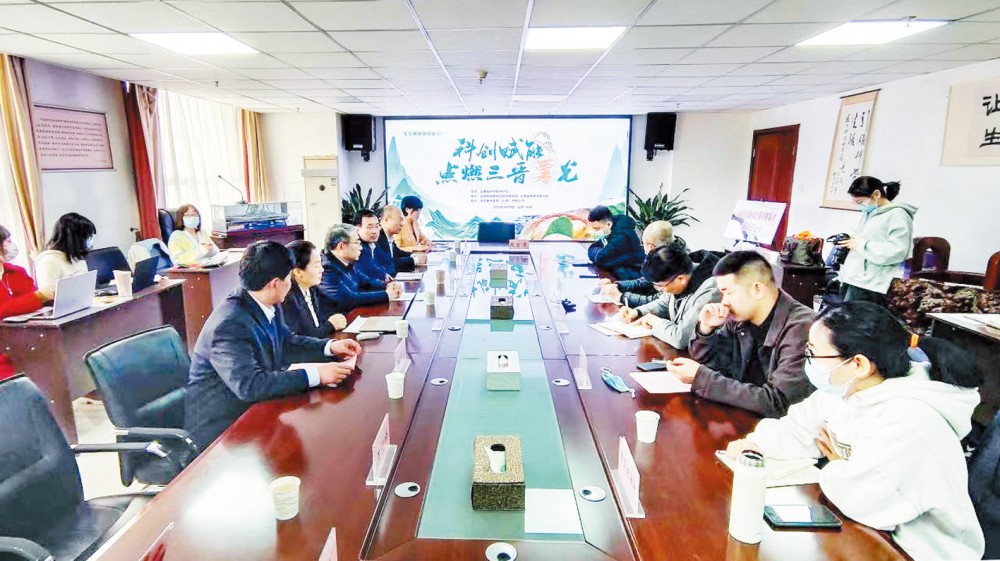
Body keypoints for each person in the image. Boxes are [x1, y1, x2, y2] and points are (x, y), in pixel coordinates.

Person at [726, 302, 984, 561]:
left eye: (814, 353)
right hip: (869, 531)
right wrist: (758, 444)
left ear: (858, 363)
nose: (808, 361)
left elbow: (859, 500)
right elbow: (799, 427)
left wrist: (838, 465)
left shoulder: (907, 421)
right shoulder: (847, 387)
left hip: (919, 550)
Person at [184, 241, 361, 449]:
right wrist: (317, 375)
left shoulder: (263, 301)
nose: (291, 283)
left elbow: (287, 342)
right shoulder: (229, 324)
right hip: (222, 431)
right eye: (289, 278)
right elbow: (251, 385)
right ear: (275, 283)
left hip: (254, 411)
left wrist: (330, 346)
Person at [665, 251, 815, 417]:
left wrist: (701, 378)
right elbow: (713, 363)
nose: (724, 302)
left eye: (728, 293)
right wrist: (706, 329)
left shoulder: (803, 328)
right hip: (743, 416)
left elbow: (778, 402)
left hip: (778, 426)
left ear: (757, 289)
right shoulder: (741, 317)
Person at [620, 243, 720, 349]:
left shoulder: (711, 290)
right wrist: (637, 312)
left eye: (659, 286)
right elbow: (664, 303)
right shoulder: (678, 274)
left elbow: (681, 338)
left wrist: (654, 321)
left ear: (681, 279)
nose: (659, 290)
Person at [835, 176, 916, 305]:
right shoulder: (872, 213)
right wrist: (852, 241)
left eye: (861, 202)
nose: (860, 207)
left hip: (872, 283)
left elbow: (897, 251)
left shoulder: (898, 216)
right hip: (855, 278)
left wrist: (861, 244)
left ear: (876, 194)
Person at [0, 225, 54, 380]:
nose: (12, 245)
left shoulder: (17, 272)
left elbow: (33, 298)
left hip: (27, 338)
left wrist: (47, 297)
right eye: (8, 241)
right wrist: (38, 297)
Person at [319, 224, 402, 314]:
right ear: (341, 246)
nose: (361, 248)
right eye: (356, 243)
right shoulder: (326, 269)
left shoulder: (346, 262)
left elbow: (365, 282)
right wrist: (387, 295)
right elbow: (348, 299)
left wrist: (386, 285)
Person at [599, 220, 676, 306]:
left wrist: (621, 297)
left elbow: (658, 302)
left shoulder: (674, 264)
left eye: (643, 244)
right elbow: (644, 282)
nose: (643, 248)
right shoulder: (664, 255)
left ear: (650, 247)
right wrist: (617, 285)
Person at [280, 240, 347, 338]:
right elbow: (302, 338)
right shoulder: (287, 300)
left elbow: (332, 308)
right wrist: (330, 325)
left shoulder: (312, 289)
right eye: (316, 266)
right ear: (298, 272)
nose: (322, 270)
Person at [34, 212, 96, 292]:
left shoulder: (77, 257)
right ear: (76, 239)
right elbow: (48, 295)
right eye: (88, 236)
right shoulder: (49, 261)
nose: (90, 241)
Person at [586, 205, 644, 281]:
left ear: (608, 224)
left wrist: (597, 252)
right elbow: (593, 248)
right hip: (624, 277)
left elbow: (602, 258)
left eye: (597, 229)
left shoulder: (621, 236)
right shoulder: (614, 229)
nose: (596, 232)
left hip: (633, 279)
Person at [377, 205, 426, 274]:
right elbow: (388, 264)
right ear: (386, 219)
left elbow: (399, 253)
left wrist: (414, 255)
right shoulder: (377, 237)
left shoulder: (389, 237)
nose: (402, 224)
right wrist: (415, 260)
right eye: (400, 220)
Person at [354, 209, 392, 282]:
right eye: (369, 227)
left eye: (377, 226)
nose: (375, 231)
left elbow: (389, 264)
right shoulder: (357, 247)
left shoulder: (375, 244)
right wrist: (384, 274)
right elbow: (369, 271)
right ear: (358, 229)